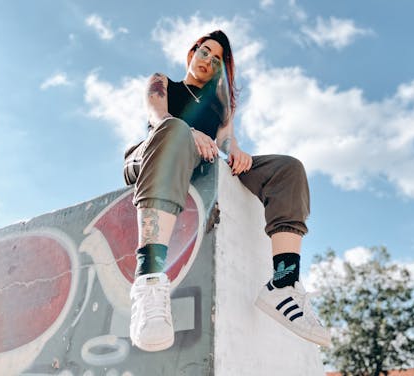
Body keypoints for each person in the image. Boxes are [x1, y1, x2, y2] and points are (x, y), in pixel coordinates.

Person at [123, 30, 330, 352]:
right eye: (204, 52)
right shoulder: (164, 82)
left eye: (217, 59)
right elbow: (158, 117)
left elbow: (227, 142)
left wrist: (238, 153)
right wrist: (188, 131)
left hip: (200, 161)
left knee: (287, 168)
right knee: (173, 129)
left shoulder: (221, 107)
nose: (208, 60)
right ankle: (149, 278)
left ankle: (284, 283)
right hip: (155, 152)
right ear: (191, 53)